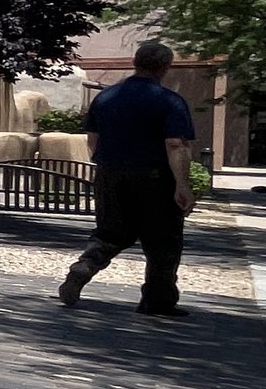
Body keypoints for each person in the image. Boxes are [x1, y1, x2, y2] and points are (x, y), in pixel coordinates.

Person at [60, 40, 198, 317]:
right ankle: (158, 300)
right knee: (163, 240)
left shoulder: (106, 98)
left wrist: (107, 166)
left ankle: (84, 268)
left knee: (110, 232)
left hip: (110, 173)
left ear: (135, 62)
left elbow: (93, 139)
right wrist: (183, 185)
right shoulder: (170, 101)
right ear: (165, 66)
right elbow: (175, 144)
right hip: (155, 177)